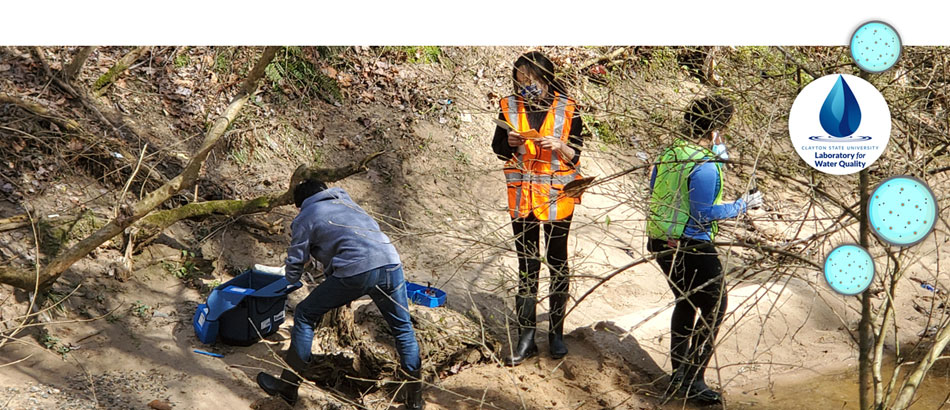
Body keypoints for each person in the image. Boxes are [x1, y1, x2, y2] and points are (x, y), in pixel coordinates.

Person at [256, 180, 425, 409]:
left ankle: (287, 388)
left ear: (300, 204)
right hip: (391, 263)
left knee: (305, 314)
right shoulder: (348, 203)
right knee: (403, 328)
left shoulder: (306, 215)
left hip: (358, 271)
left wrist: (290, 279)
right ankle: (415, 401)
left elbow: (295, 263)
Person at [646, 96, 763, 404]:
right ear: (715, 130)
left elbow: (655, 189)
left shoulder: (670, 152)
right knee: (715, 306)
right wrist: (743, 205)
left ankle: (678, 377)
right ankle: (694, 379)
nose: (723, 137)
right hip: (690, 244)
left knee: (685, 302)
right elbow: (703, 214)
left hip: (659, 240)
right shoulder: (704, 165)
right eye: (723, 130)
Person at [491, 51, 585, 366]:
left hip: (558, 198)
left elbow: (577, 152)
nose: (526, 87)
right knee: (527, 266)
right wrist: (511, 143)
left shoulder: (568, 107)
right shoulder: (508, 106)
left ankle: (556, 334)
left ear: (546, 78)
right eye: (521, 81)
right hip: (523, 199)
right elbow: (498, 148)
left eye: (531, 80)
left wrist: (561, 146)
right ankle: (526, 337)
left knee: (558, 262)